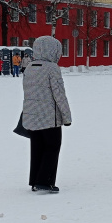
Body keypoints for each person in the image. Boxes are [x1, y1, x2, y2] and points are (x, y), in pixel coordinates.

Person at [19, 36, 72, 193]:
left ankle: (35, 181)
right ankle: (45, 181)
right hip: (49, 117)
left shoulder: (29, 67)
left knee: (37, 147)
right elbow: (59, 95)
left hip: (32, 115)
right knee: (52, 147)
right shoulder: (52, 68)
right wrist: (67, 117)